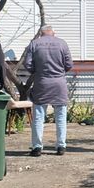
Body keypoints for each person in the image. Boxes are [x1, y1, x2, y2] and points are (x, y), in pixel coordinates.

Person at [23, 25, 73, 156]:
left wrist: (37, 71)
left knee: (39, 116)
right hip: (59, 84)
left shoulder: (34, 44)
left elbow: (27, 63)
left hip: (42, 83)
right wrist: (60, 71)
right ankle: (61, 146)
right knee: (61, 116)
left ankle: (37, 147)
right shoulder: (62, 43)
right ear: (53, 33)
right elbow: (69, 64)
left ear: (41, 33)